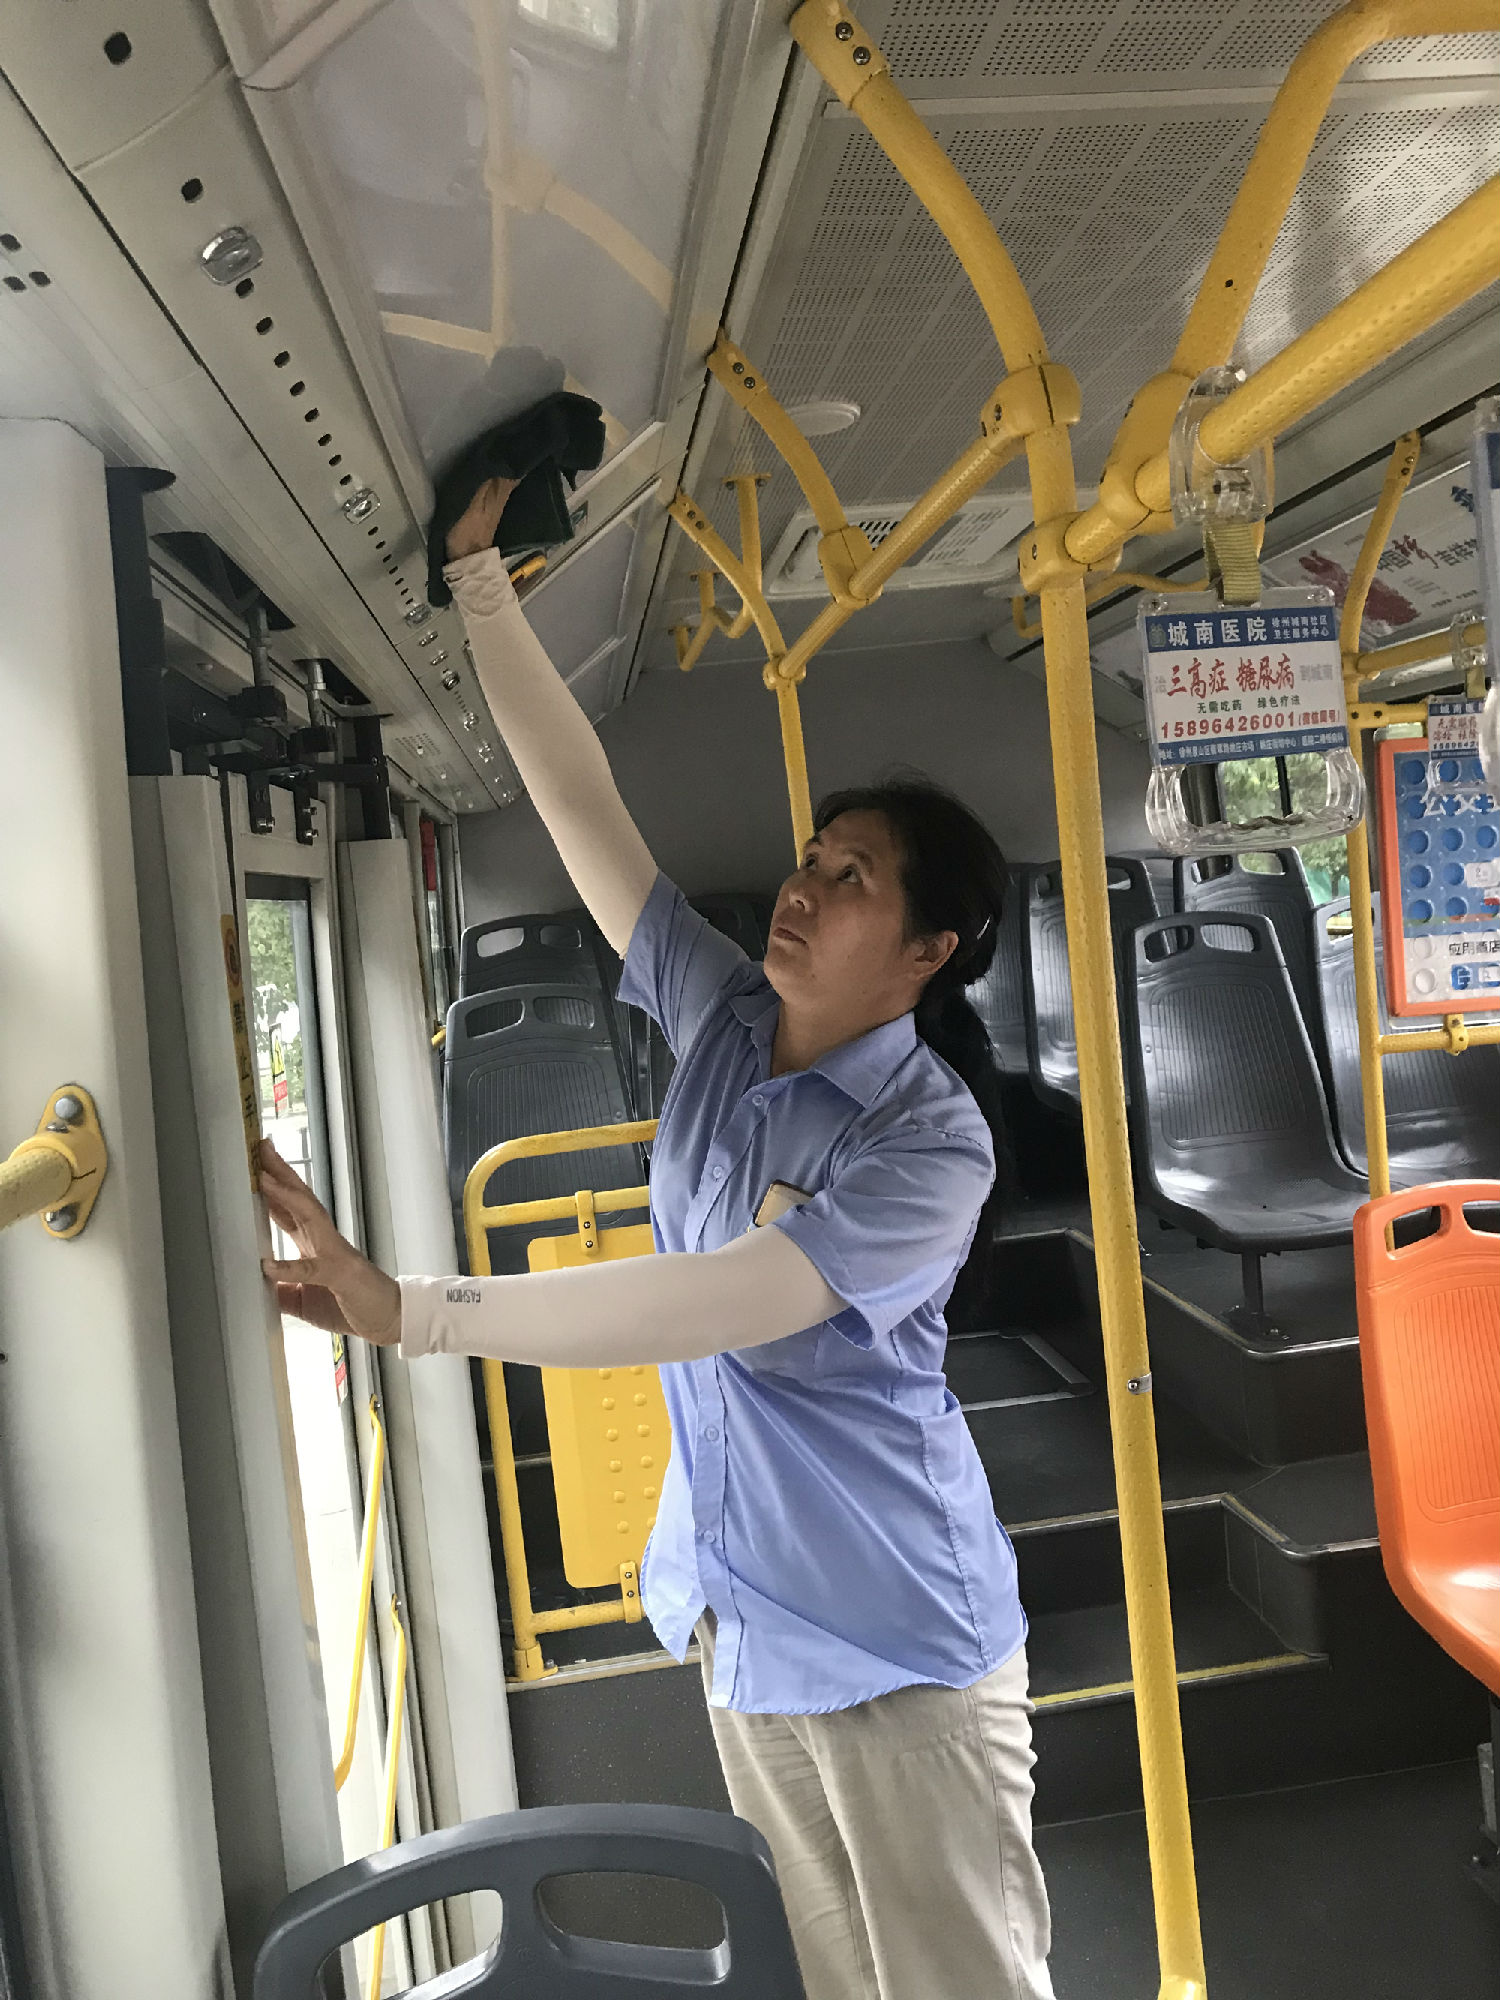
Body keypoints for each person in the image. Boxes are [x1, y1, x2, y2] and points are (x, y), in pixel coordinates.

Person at [259, 473, 1055, 2000]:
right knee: (824, 1981)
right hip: (745, 1623)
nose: (804, 889)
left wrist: (416, 1310)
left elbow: (719, 1301)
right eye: (812, 857)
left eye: (852, 879)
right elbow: (584, 810)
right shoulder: (724, 1020)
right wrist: (480, 587)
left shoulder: (930, 1141)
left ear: (929, 951)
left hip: (899, 1648)